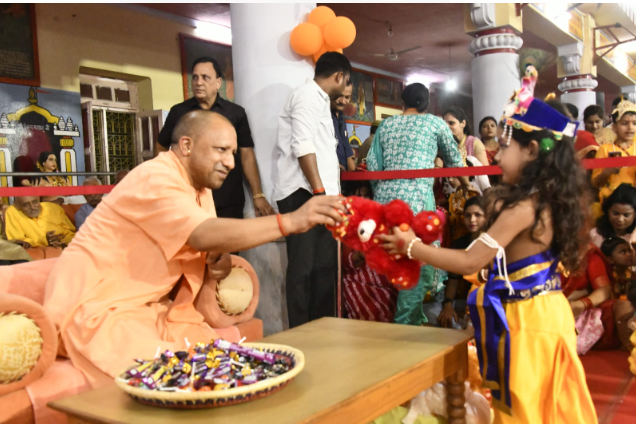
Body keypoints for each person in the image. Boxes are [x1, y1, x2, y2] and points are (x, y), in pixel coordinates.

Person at [43, 110, 346, 389]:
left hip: (149, 309)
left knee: (227, 368)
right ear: (186, 146)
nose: (230, 161)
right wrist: (290, 221)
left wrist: (218, 261)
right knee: (180, 380)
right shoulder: (155, 176)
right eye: (221, 150)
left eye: (232, 152)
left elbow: (207, 244)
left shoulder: (199, 188)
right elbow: (202, 234)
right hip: (95, 308)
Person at [379, 67, 596, 423]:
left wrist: (411, 246)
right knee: (547, 406)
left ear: (530, 151)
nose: (495, 157)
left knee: (523, 409)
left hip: (528, 320)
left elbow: (469, 262)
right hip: (546, 313)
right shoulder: (548, 201)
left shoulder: (524, 208)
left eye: (504, 147)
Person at [367, 82, 470, 326]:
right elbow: (454, 158)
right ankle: (406, 324)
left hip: (386, 204)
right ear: (425, 104)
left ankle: (414, 318)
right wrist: (466, 185)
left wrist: (381, 194)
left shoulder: (386, 123)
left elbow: (372, 164)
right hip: (416, 202)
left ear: (402, 102)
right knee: (419, 262)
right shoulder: (434, 123)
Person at [274, 52, 351, 329]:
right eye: (347, 82)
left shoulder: (320, 100)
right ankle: (301, 333)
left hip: (320, 195)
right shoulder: (307, 95)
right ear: (340, 77)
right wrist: (319, 193)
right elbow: (302, 145)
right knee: (302, 272)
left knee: (323, 270)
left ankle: (321, 331)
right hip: (303, 194)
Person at [158, 56, 275, 219]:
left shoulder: (235, 113)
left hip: (228, 198)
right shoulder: (179, 112)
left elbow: (247, 155)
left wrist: (257, 195)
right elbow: (161, 146)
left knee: (230, 243)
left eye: (205, 77)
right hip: (189, 197)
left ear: (218, 82)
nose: (199, 82)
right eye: (196, 77)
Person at [437, 196, 487, 329]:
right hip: (465, 301)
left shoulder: (494, 245)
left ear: (487, 217)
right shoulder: (459, 244)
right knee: (429, 311)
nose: (472, 220)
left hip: (489, 301)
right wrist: (448, 305)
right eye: (468, 215)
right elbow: (453, 279)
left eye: (477, 215)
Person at [592, 100, 636, 202]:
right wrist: (607, 172)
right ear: (614, 127)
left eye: (635, 123)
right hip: (610, 201)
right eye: (624, 123)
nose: (630, 127)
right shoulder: (604, 149)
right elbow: (595, 183)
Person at [5, 196, 76, 248]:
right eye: (26, 205)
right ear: (17, 205)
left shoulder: (53, 208)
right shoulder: (12, 212)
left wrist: (63, 242)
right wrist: (45, 240)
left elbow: (70, 232)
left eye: (35, 202)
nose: (32, 207)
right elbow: (18, 240)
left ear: (39, 200)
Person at [332, 83, 356, 172]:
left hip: (342, 177)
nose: (343, 101)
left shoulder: (341, 118)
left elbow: (348, 151)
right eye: (339, 96)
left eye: (347, 97)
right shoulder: (324, 116)